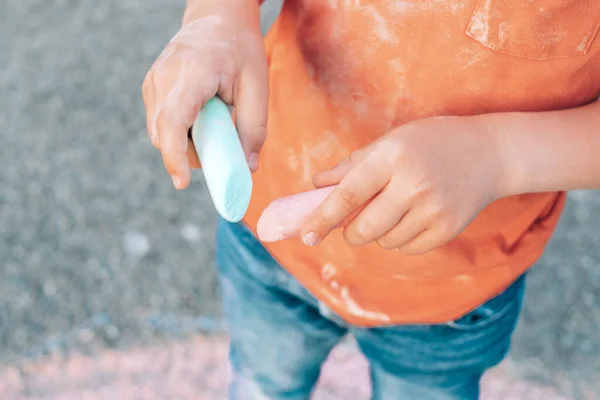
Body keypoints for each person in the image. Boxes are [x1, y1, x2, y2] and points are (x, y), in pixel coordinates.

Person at [142, 0, 600, 398]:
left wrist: (498, 155)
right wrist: (216, 16)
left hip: (451, 289)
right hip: (272, 229)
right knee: (264, 382)